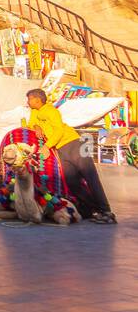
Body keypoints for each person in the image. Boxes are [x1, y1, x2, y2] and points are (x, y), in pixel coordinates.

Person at [26, 89, 115, 223]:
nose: (27, 101)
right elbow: (31, 123)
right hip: (61, 149)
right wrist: (37, 126)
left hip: (75, 144)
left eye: (29, 99)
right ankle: (92, 209)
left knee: (90, 177)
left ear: (38, 100)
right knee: (71, 181)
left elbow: (59, 131)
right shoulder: (34, 111)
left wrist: (47, 146)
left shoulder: (51, 111)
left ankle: (107, 212)